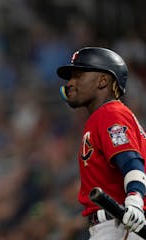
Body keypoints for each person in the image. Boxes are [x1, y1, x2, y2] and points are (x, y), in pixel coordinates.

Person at [57, 47, 146, 240]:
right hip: (110, 226)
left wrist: (135, 200)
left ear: (103, 80)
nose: (70, 83)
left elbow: (131, 161)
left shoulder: (111, 113)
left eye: (79, 75)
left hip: (122, 225)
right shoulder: (101, 117)